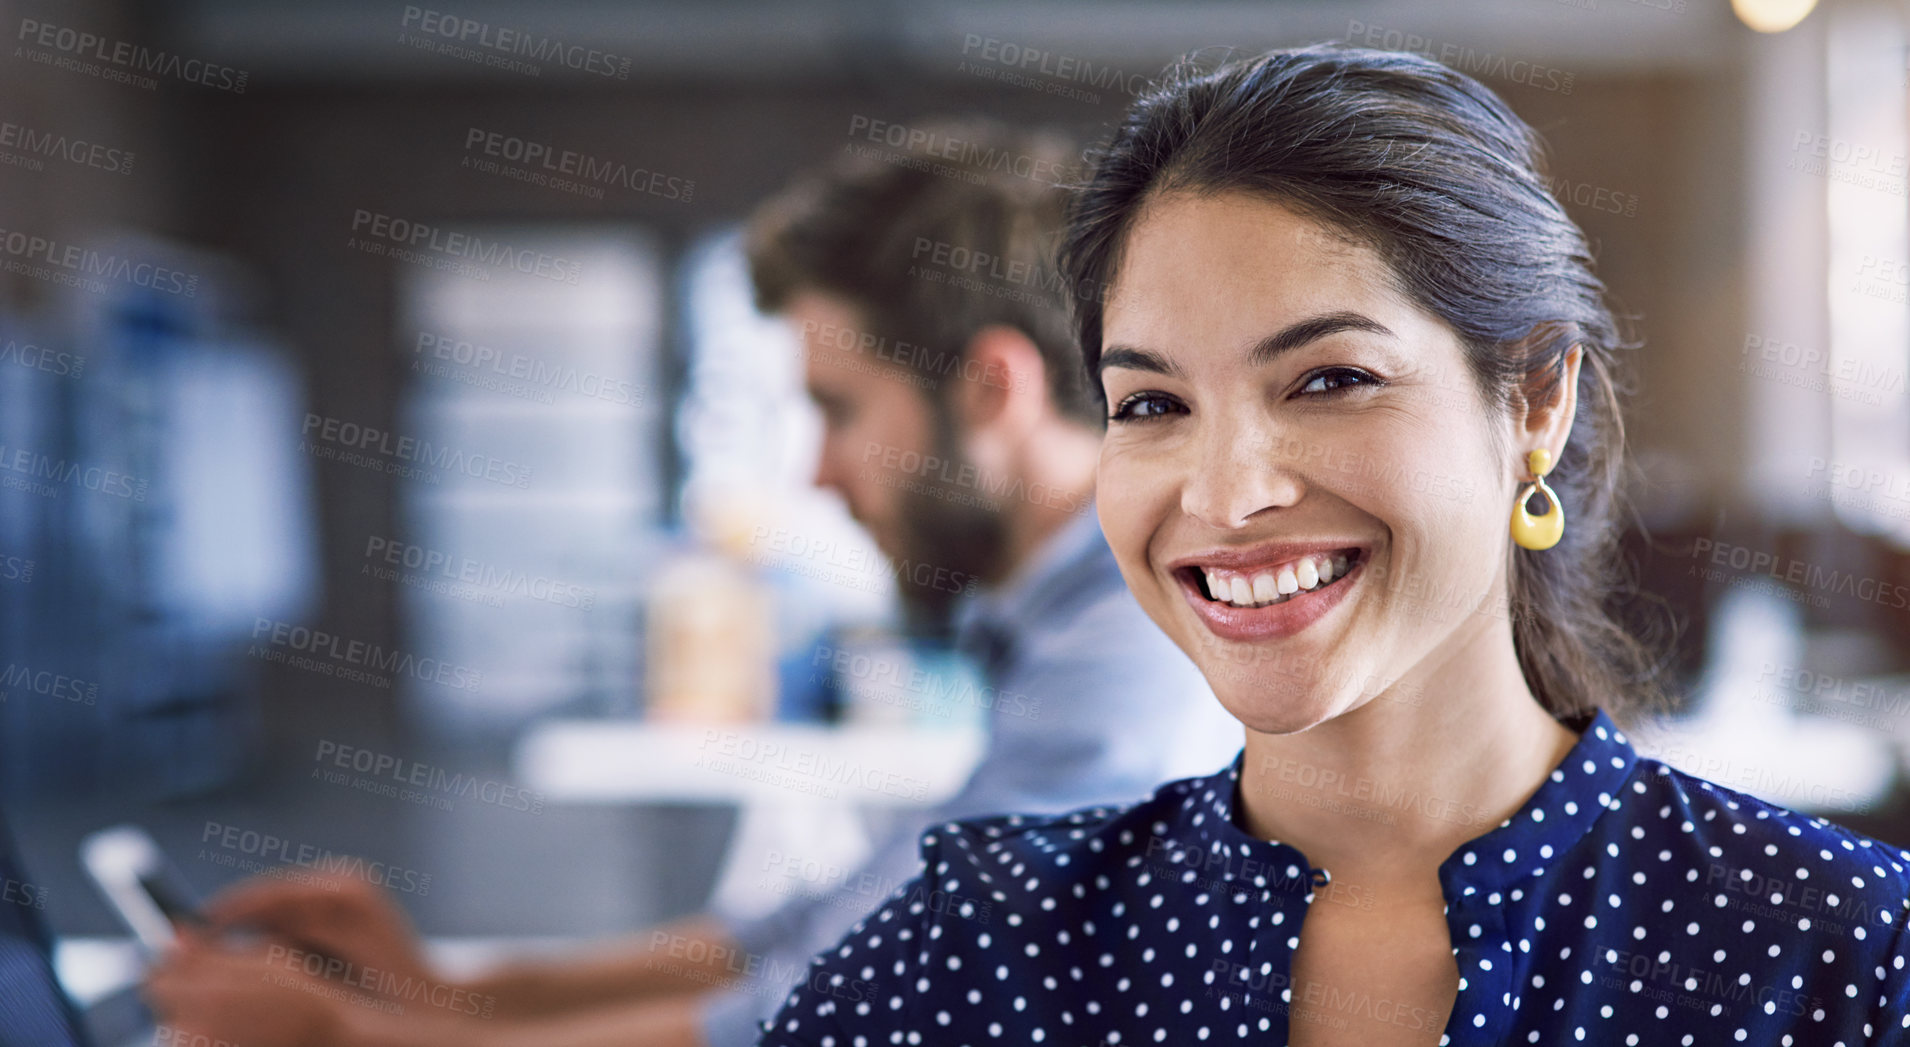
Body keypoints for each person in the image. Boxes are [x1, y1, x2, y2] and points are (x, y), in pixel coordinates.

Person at [755, 43, 1910, 1047]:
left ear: (1534, 403)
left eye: (1329, 380)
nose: (1225, 493)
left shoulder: (1836, 954)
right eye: (1151, 405)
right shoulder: (982, 950)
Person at [142, 117, 1243, 1047]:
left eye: (838, 408)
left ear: (990, 386)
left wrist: (371, 1040)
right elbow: (819, 933)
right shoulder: (1062, 626)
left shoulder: (1137, 651)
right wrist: (455, 997)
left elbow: (847, 1015)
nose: (815, 473)